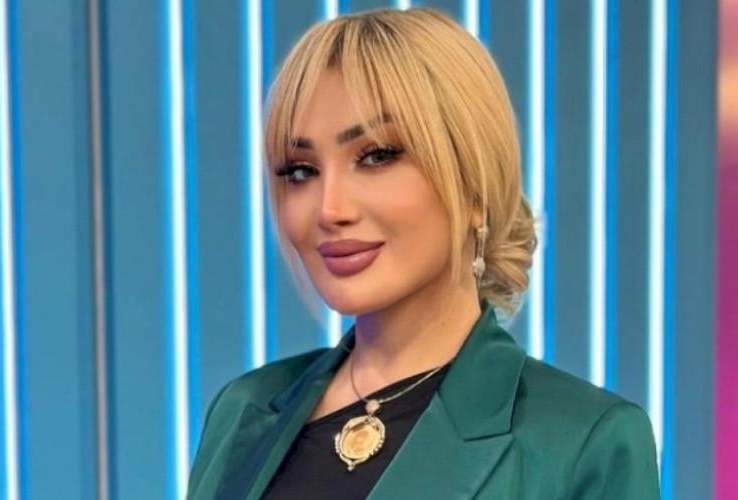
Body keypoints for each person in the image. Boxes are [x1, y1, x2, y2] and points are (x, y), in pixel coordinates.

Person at [187, 7, 660, 500]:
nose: (329, 209)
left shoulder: (583, 442)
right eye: (301, 170)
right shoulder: (241, 409)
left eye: (377, 156)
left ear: (474, 184)